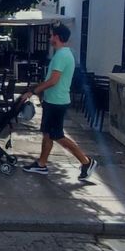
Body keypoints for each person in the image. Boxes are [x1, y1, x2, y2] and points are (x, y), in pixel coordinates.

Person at [21, 23, 97, 181]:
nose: (49, 37)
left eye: (51, 35)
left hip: (57, 101)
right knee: (48, 134)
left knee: (57, 135)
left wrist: (34, 91)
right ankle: (41, 164)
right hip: (54, 100)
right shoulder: (63, 54)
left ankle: (86, 162)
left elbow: (53, 80)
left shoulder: (62, 55)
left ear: (57, 36)